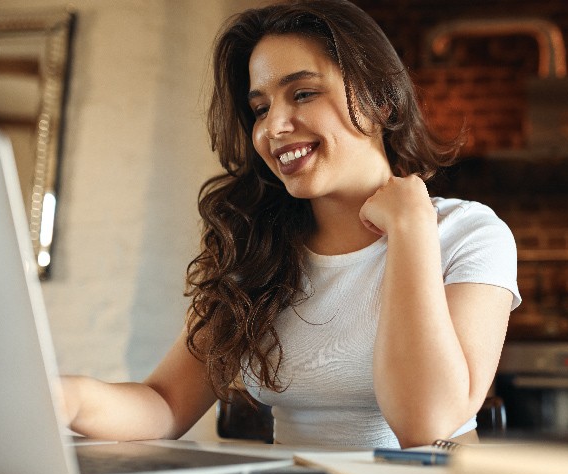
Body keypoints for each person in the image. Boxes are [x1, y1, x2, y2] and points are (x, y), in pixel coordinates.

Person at [62, 0, 521, 449]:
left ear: (380, 102)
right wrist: (70, 397)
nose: (274, 127)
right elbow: (164, 404)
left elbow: (427, 426)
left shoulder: (469, 234)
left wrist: (412, 228)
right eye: (260, 108)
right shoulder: (257, 251)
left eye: (303, 93)